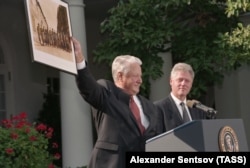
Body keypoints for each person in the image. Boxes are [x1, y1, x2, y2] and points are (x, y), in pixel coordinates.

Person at [72, 37, 162, 168]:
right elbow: (89, 88)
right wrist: (79, 60)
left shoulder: (150, 106)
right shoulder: (107, 92)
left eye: (140, 76)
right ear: (120, 76)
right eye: (135, 75)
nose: (140, 80)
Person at [154, 62, 208, 132]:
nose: (183, 84)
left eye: (187, 81)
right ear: (171, 81)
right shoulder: (158, 108)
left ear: (191, 84)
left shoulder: (197, 108)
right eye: (180, 80)